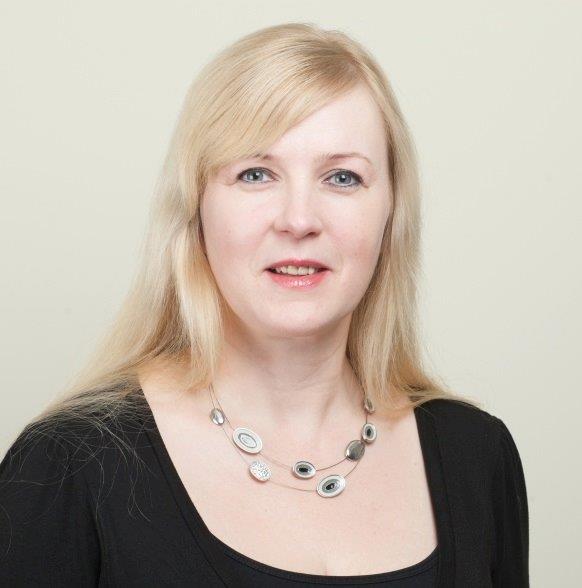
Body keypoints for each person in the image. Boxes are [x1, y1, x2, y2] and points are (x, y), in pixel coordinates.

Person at [0, 22, 528, 587]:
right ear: (196, 209)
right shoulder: (69, 466)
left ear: (391, 213)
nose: (299, 219)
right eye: (255, 174)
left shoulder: (478, 456)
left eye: (343, 177)